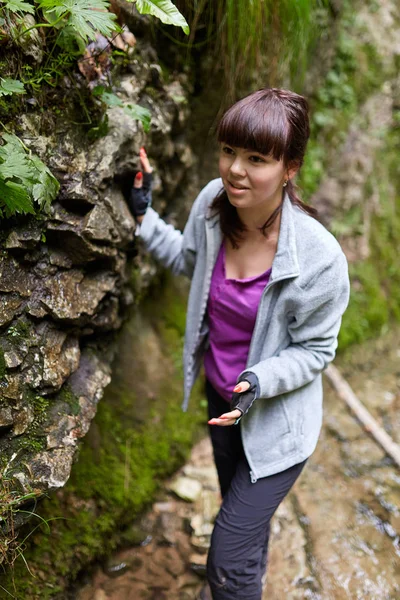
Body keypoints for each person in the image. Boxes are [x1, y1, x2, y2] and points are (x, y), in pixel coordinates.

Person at [128, 88, 350, 600]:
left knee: (224, 563)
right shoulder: (213, 204)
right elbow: (190, 263)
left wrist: (257, 379)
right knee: (240, 522)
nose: (235, 170)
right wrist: (143, 216)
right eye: (229, 151)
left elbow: (317, 351)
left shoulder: (319, 257)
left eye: (257, 159)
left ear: (290, 167)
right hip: (220, 398)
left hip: (275, 421)